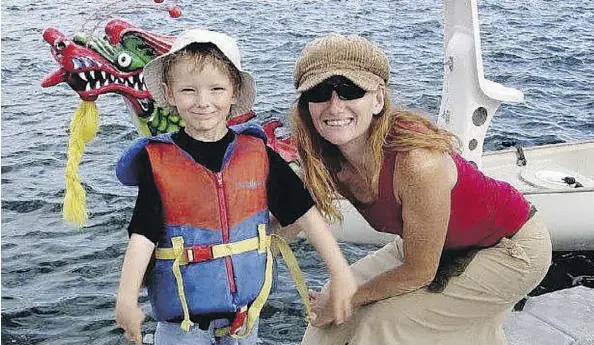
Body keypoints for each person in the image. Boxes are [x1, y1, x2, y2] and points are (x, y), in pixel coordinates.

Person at [290, 33, 552, 345]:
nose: (334, 106)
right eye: (320, 92)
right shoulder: (322, 154)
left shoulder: (418, 163)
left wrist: (349, 299)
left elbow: (419, 271)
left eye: (350, 90)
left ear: (378, 99)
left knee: (381, 326)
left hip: (510, 248)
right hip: (435, 244)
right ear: (307, 105)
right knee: (330, 321)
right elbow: (290, 221)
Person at [114, 29, 357, 345]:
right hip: (182, 328)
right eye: (189, 90)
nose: (203, 102)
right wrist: (126, 299)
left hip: (245, 322)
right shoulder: (157, 160)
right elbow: (143, 233)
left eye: (216, 89)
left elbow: (305, 213)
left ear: (234, 92)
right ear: (169, 93)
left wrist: (341, 274)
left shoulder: (258, 154)